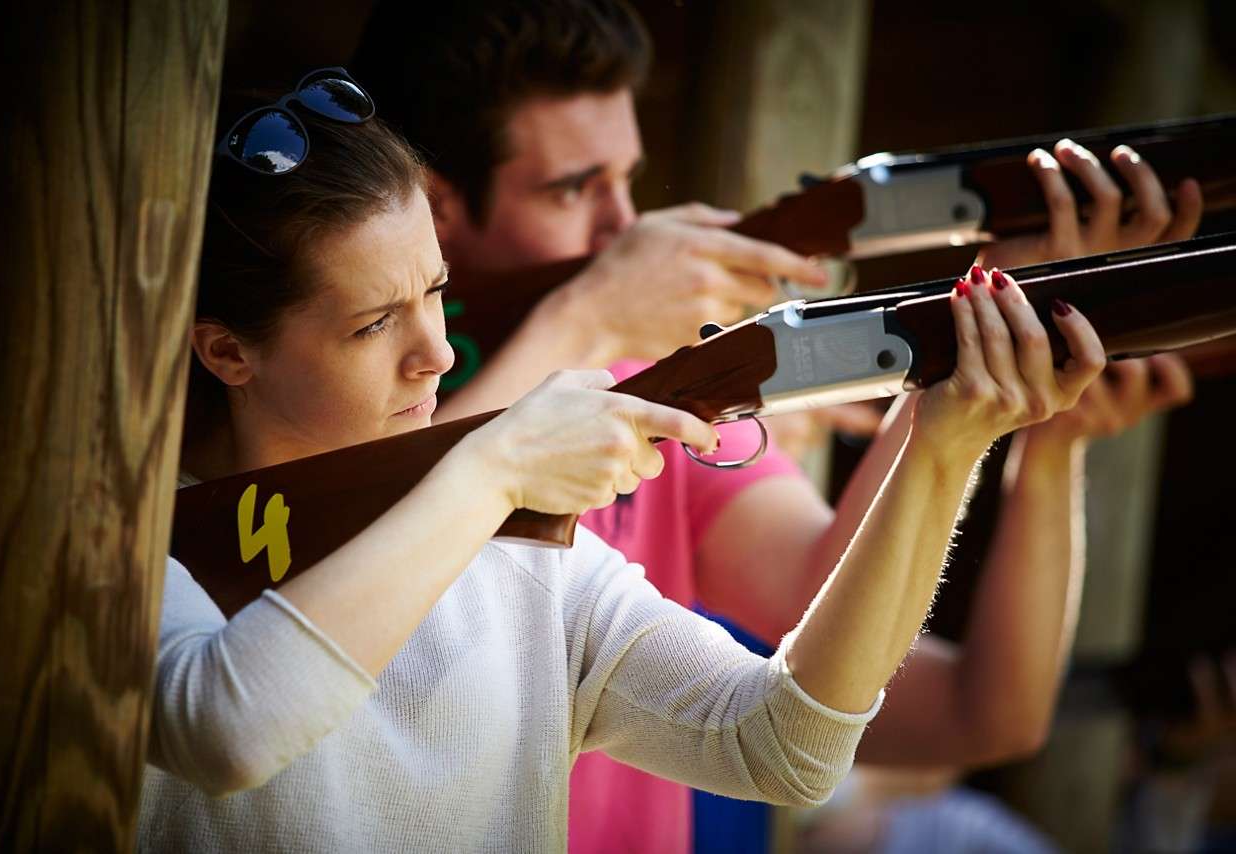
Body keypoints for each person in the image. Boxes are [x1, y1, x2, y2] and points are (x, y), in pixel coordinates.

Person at [137, 74, 1107, 852]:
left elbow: (785, 745)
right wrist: (488, 468)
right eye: (371, 322)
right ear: (227, 352)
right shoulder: (140, 558)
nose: (433, 351)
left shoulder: (521, 557)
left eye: (433, 290)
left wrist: (943, 445)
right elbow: (232, 724)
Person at [351, 2, 1199, 850]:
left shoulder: (640, 391)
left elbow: (979, 716)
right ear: (440, 205)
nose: (624, 226)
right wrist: (589, 314)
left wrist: (1023, 414)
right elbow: (344, 585)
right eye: (574, 189)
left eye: (626, 179)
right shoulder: (355, 410)